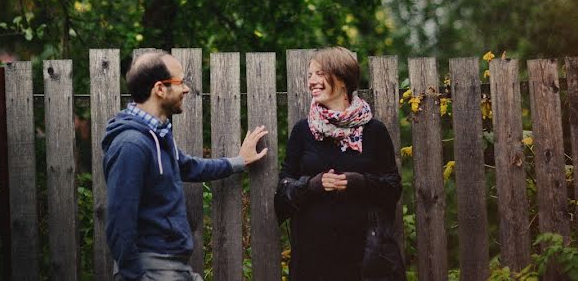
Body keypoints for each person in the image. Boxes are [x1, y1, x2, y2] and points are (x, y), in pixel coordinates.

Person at [103, 51, 269, 281]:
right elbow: (119, 223)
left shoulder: (156, 136)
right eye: (180, 82)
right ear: (160, 89)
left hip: (172, 268)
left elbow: (188, 167)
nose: (186, 89)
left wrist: (239, 162)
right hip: (152, 270)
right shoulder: (132, 144)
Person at [275, 47, 403, 281]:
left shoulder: (374, 132)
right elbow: (281, 198)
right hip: (313, 263)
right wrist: (312, 185)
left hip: (365, 263)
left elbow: (392, 189)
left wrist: (359, 182)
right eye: (310, 75)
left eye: (319, 73)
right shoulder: (303, 131)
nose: (311, 81)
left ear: (343, 79)